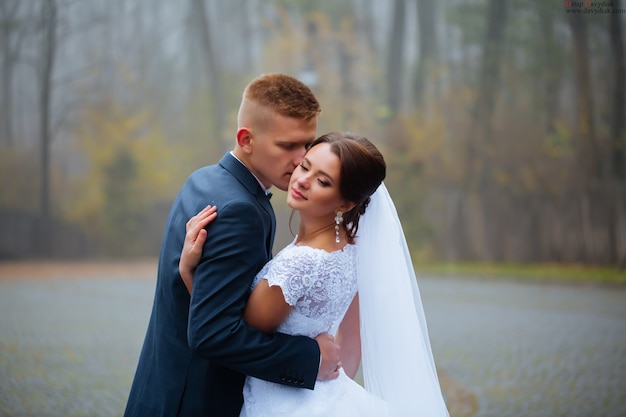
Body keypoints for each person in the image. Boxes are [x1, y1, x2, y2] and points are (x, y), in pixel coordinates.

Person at [180, 132, 451, 417]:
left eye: (323, 181)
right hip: (327, 397)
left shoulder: (299, 264)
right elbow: (351, 343)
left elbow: (232, 335)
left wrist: (189, 271)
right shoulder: (353, 247)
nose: (302, 180)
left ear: (345, 204)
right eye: (305, 166)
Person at [123, 73, 342, 417]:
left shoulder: (204, 179)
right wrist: (310, 359)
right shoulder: (240, 210)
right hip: (194, 402)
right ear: (247, 139)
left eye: (308, 144)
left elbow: (210, 303)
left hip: (160, 390)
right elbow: (212, 333)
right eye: (288, 145)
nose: (301, 159)